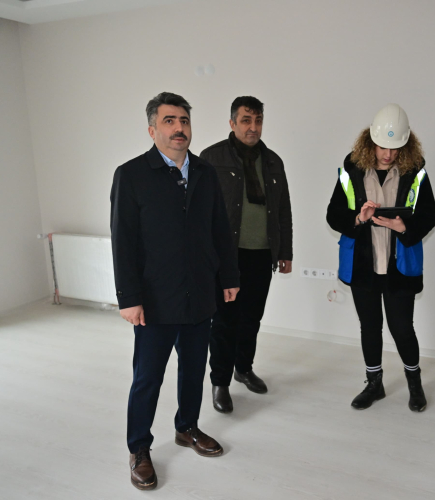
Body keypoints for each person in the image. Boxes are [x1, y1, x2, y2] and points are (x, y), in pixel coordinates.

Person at [110, 92, 240, 490]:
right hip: (154, 300)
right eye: (169, 121)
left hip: (199, 294)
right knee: (148, 377)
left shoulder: (204, 172)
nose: (179, 128)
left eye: (184, 120)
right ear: (152, 130)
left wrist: (229, 276)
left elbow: (220, 229)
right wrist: (129, 298)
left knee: (193, 369)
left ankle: (187, 427)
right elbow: (123, 241)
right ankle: (139, 448)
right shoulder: (131, 175)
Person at [326, 103, 435, 412]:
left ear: (406, 144)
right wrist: (358, 219)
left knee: (402, 328)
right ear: (370, 141)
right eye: (382, 147)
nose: (388, 154)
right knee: (370, 327)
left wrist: (405, 228)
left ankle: (414, 384)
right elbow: (333, 215)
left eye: (395, 147)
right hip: (363, 265)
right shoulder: (351, 170)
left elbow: (428, 216)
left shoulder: (415, 172)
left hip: (399, 266)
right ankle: (374, 384)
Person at [199, 96, 293, 414]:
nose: (253, 127)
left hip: (262, 254)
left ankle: (243, 369)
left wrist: (285, 251)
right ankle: (220, 382)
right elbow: (199, 211)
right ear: (232, 123)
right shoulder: (211, 158)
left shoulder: (273, 162)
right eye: (246, 120)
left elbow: (283, 210)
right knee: (224, 321)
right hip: (226, 256)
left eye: (258, 120)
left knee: (252, 317)